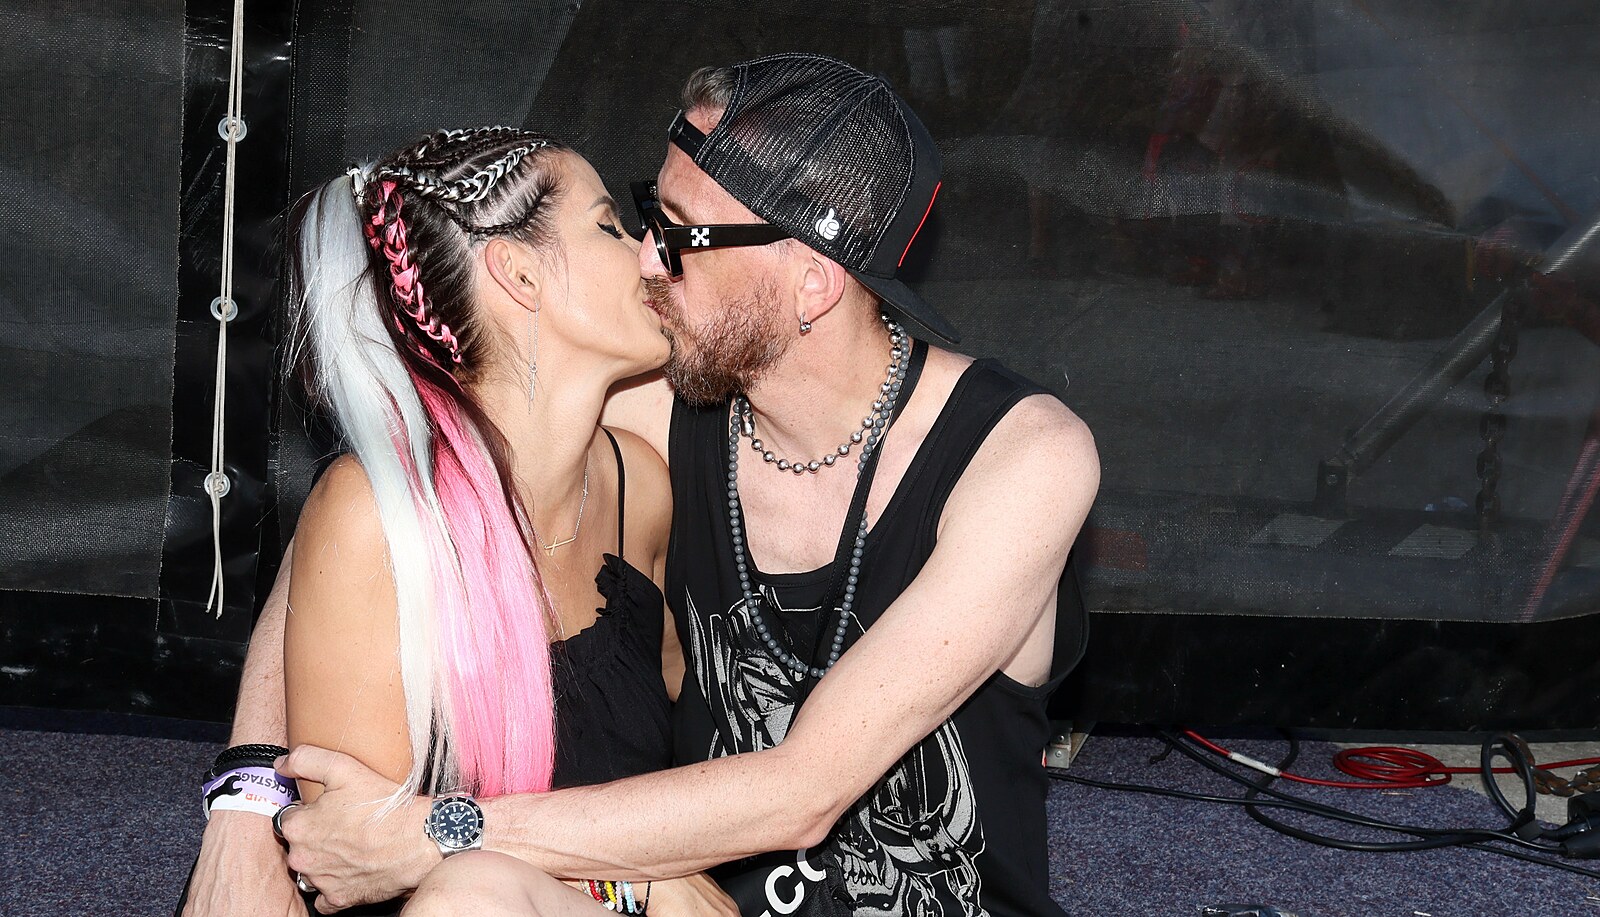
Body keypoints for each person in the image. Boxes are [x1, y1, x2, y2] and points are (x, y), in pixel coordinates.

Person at [190, 53, 1098, 917]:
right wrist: (246, 798)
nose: (647, 259)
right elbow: (376, 511)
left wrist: (437, 831)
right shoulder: (656, 406)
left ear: (812, 283)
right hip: (685, 900)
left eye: (682, 235)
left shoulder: (1021, 458)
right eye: (641, 216)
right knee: (475, 900)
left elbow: (803, 791)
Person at [178, 127, 733, 916]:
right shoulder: (377, 518)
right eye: (610, 225)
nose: (650, 253)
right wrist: (638, 877)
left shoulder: (637, 484)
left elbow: (694, 736)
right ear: (518, 273)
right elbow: (352, 857)